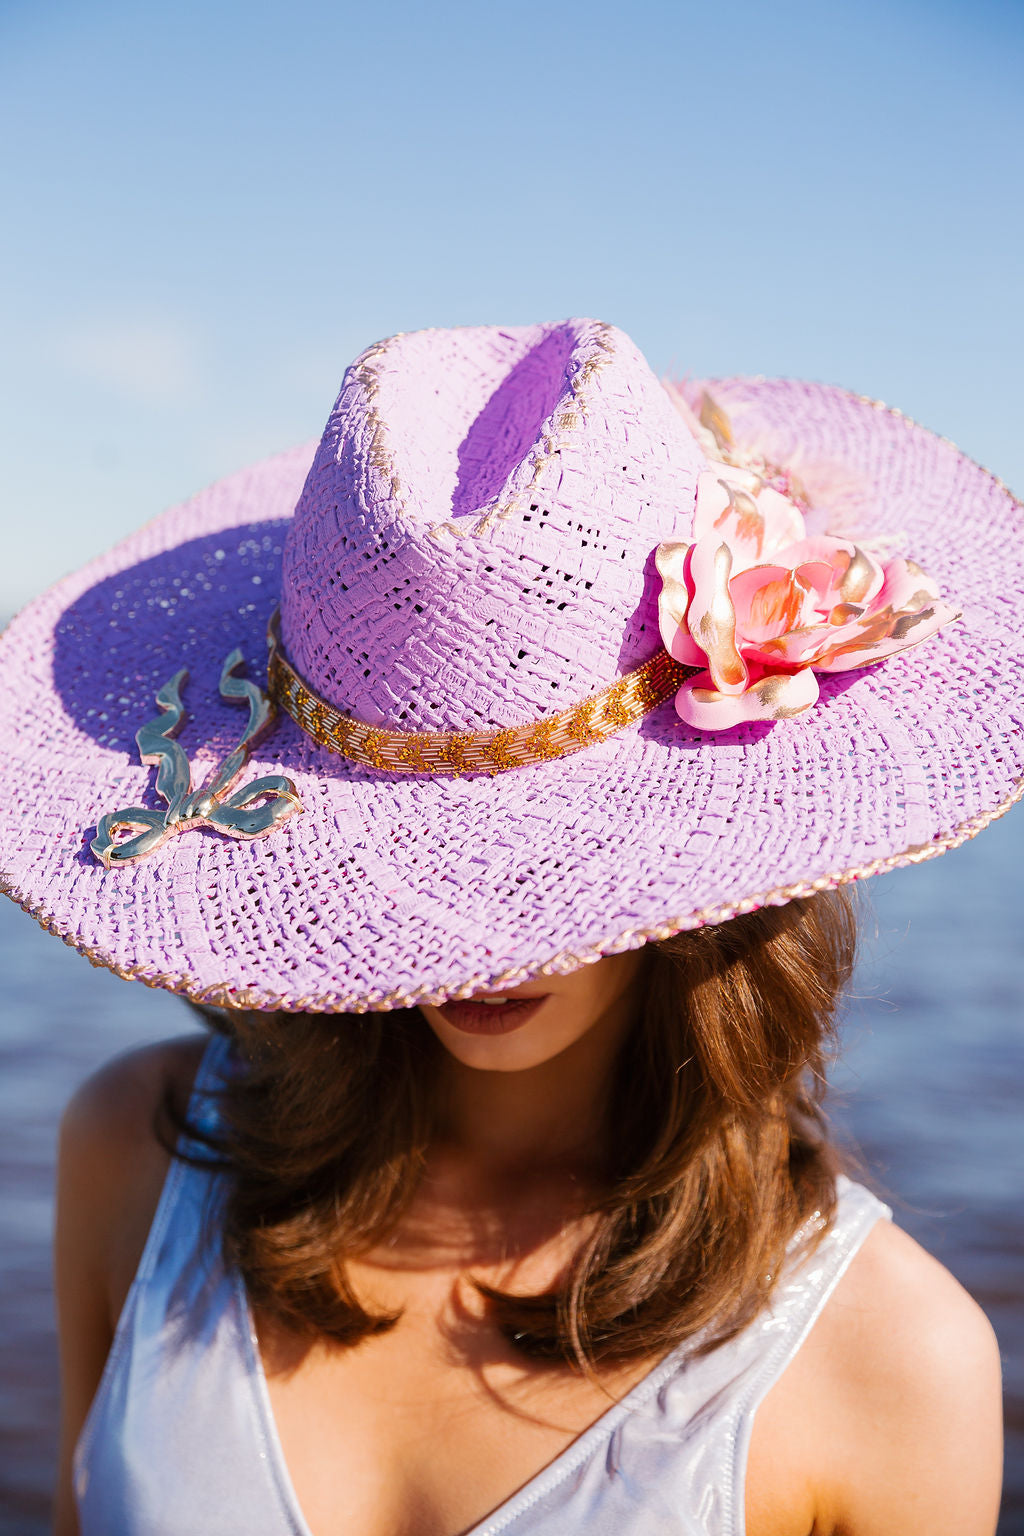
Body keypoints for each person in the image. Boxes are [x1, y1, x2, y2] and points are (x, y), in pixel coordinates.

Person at [0, 319, 1015, 1534]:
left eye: (535, 860)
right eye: (437, 860)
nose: (483, 940)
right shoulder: (137, 1149)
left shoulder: (888, 1360)